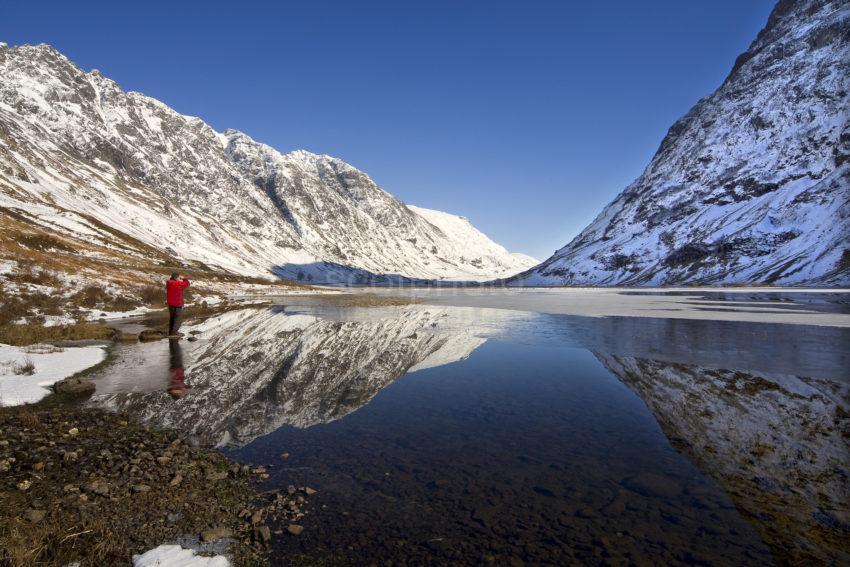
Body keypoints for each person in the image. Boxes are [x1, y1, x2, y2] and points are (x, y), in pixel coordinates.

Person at [166, 273, 190, 338]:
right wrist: (184, 278)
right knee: (178, 318)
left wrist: (180, 279)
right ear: (176, 278)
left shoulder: (169, 283)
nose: (180, 279)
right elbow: (187, 284)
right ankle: (174, 333)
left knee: (172, 317)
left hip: (170, 303)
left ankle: (171, 331)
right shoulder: (177, 284)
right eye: (179, 278)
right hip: (177, 303)